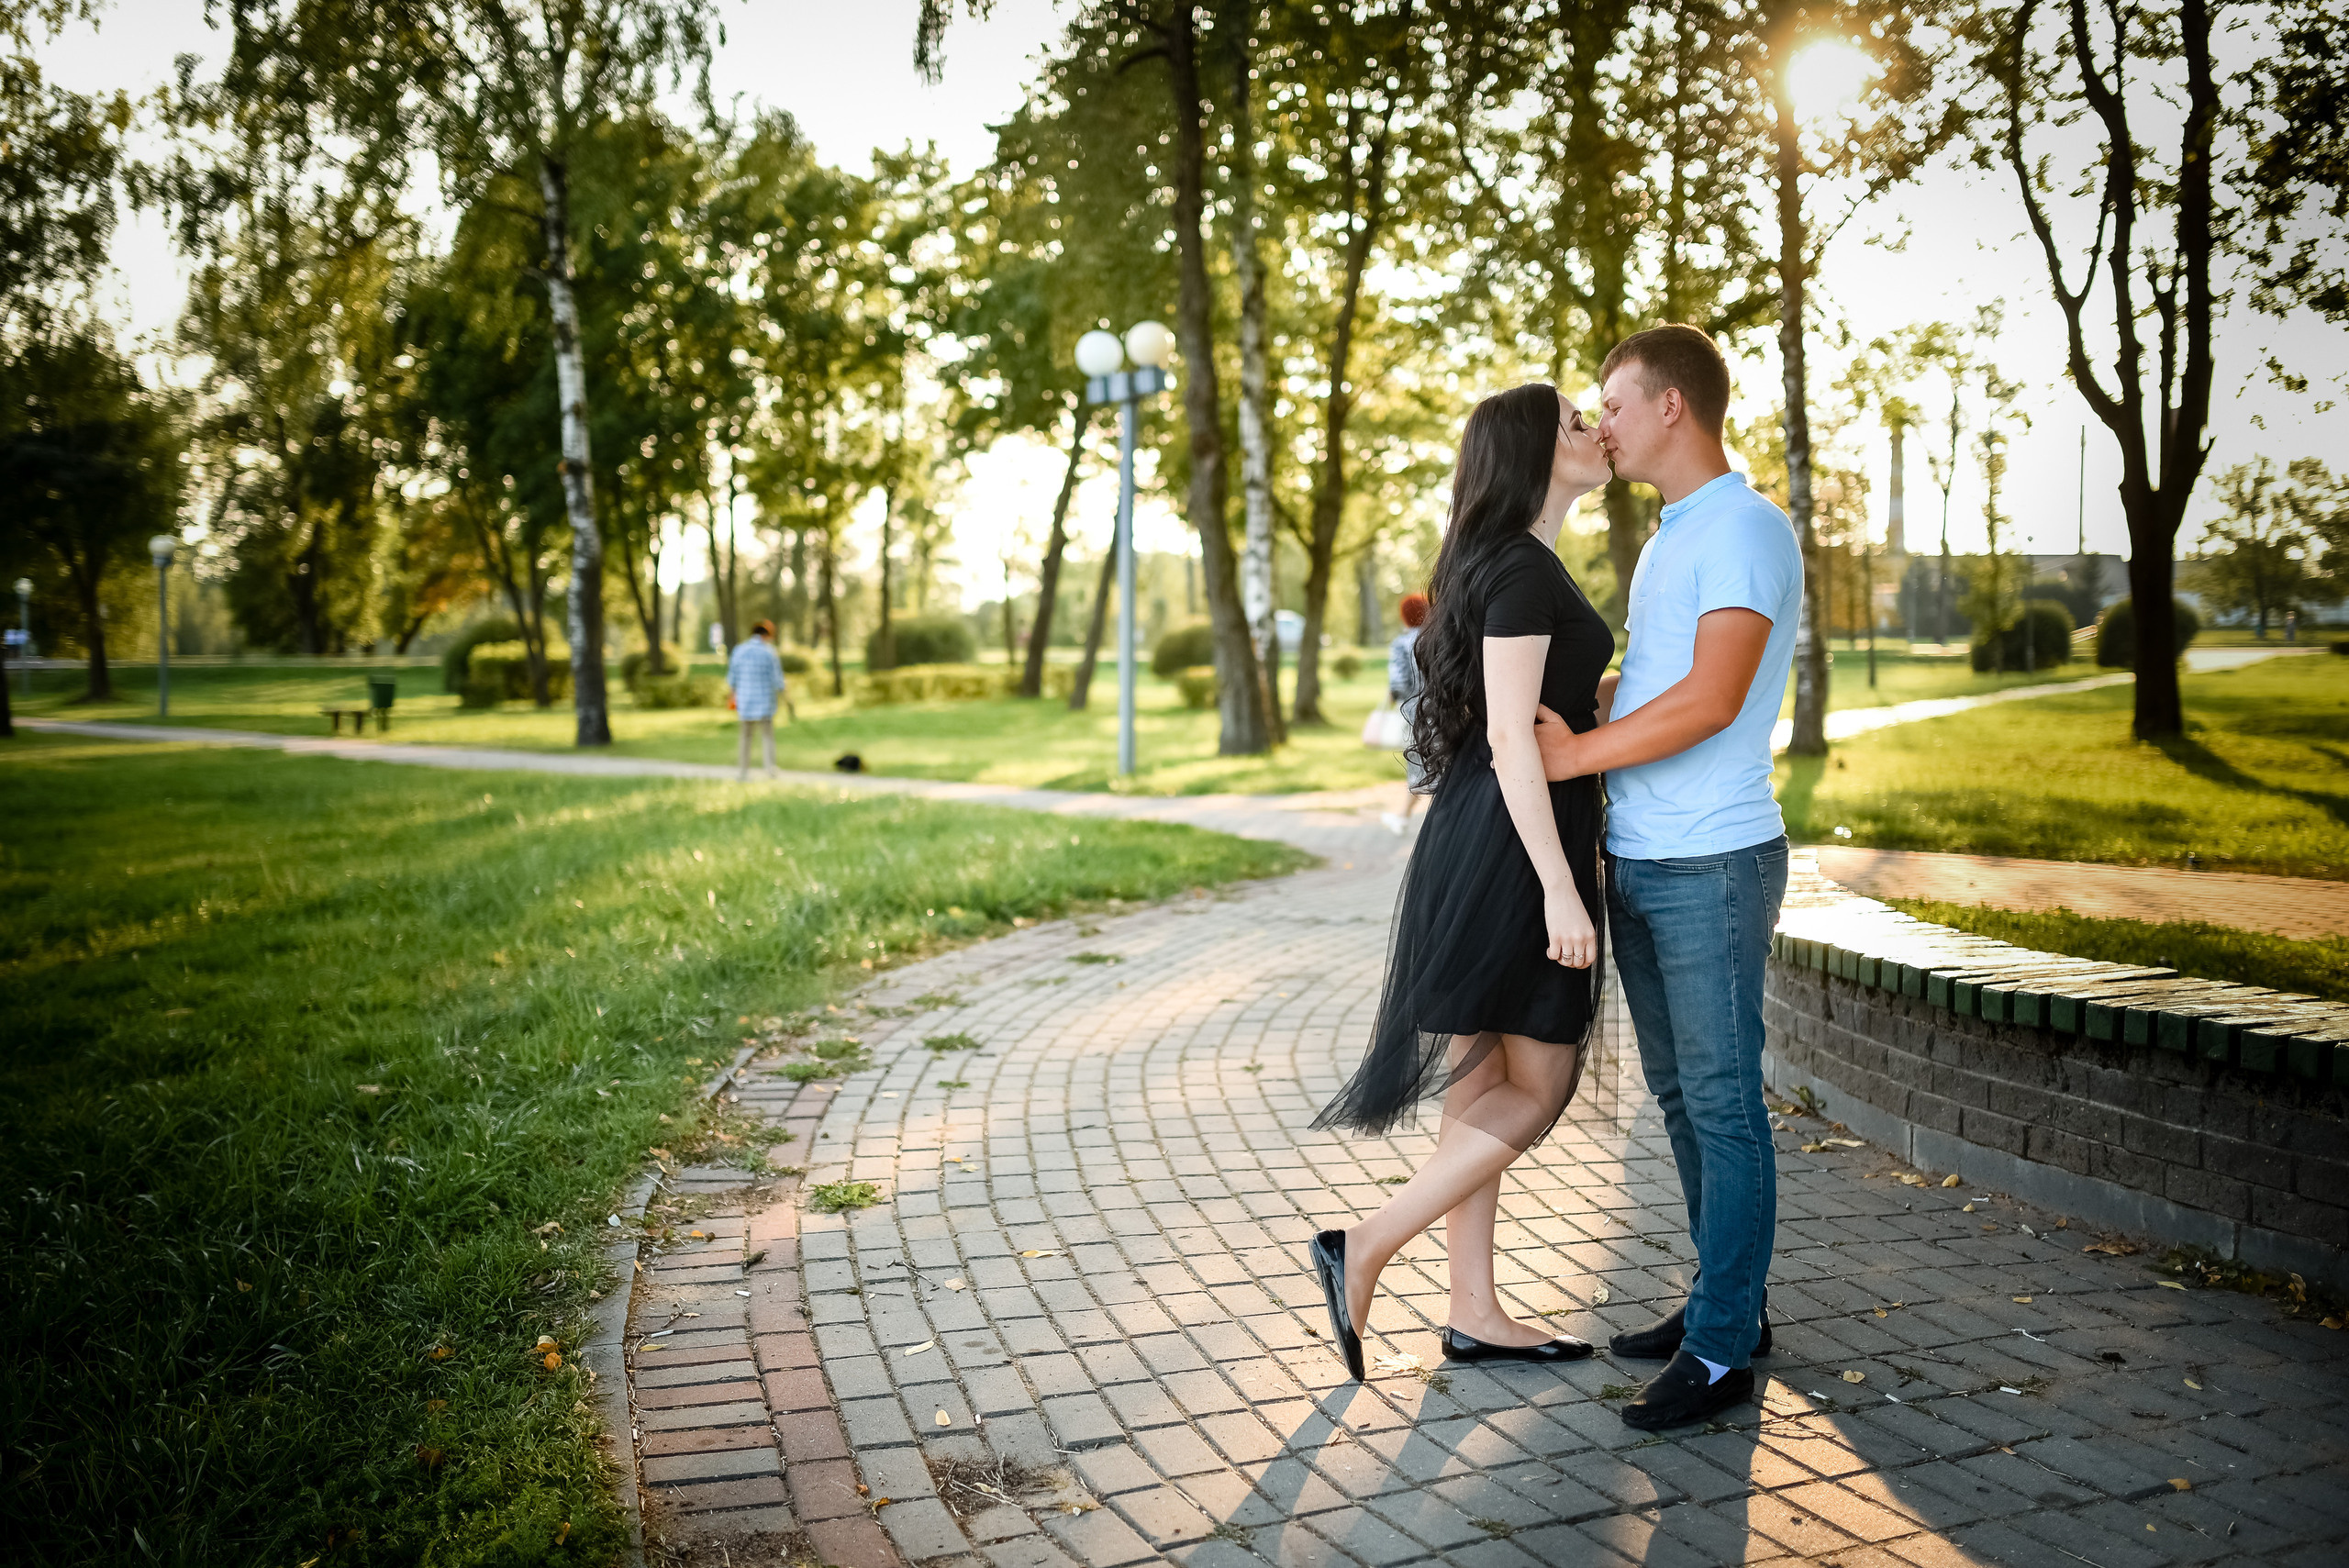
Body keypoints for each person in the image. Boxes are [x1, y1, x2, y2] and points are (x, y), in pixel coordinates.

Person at [1308, 384, 1617, 1379]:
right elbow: (1512, 736)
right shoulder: (1520, 565)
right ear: (1533, 451)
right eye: (1575, 421)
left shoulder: (1504, 560)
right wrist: (1561, 886)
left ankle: (1474, 1310)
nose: (1595, 430)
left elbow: (1521, 704)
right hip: (1517, 848)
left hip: (1481, 834)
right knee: (1540, 1083)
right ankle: (1364, 1244)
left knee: (1482, 1079)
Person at [1532, 324, 1804, 1430]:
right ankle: (1724, 1303)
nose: (1600, 423)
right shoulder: (1674, 535)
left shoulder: (1743, 526)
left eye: (1612, 403)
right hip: (1644, 855)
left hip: (1712, 862)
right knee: (1685, 1096)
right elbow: (1657, 683)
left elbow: (1713, 698)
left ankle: (1723, 1344)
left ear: (1670, 406)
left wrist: (1574, 757)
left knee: (1725, 1101)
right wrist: (1581, 702)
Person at [1379, 593, 1432, 834]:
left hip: (1415, 712)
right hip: (1443, 709)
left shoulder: (1401, 644)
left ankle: (1403, 818)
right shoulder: (1437, 638)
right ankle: (1403, 816)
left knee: (1419, 764)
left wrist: (1393, 695)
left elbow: (1399, 683)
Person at [726, 619, 785, 779]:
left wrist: (731, 696)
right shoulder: (769, 652)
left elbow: (732, 678)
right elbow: (778, 680)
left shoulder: (739, 650)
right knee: (767, 737)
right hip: (765, 702)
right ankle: (770, 769)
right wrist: (787, 699)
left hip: (745, 701)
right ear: (766, 635)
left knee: (746, 737)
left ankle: (743, 772)